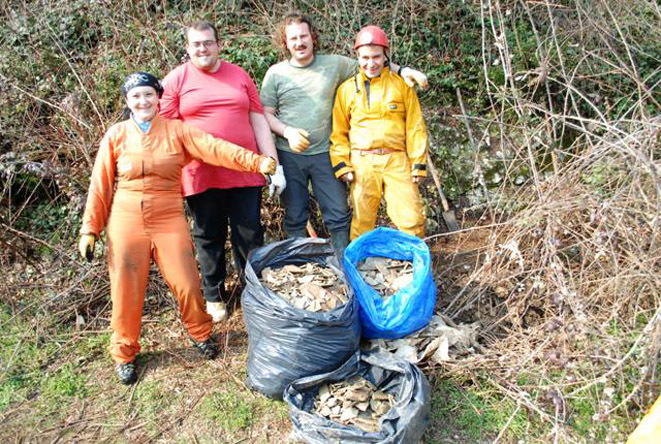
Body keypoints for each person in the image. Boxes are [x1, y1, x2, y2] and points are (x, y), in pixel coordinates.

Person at [78, 72, 276, 385]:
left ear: (159, 98)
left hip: (168, 215)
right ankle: (124, 353)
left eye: (148, 95)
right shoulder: (116, 135)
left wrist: (256, 162)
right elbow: (100, 185)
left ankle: (200, 334)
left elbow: (215, 148)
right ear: (128, 102)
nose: (143, 101)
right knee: (126, 289)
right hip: (126, 218)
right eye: (136, 97)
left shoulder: (176, 130)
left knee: (187, 282)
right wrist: (90, 228)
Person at [260, 12, 428, 258]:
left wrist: (403, 71)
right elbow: (264, 115)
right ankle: (301, 268)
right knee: (295, 215)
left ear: (313, 37)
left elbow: (372, 63)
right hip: (290, 154)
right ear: (285, 42)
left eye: (303, 36)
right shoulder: (276, 74)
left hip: (324, 155)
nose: (299, 42)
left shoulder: (336, 64)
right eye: (293, 38)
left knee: (339, 213)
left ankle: (345, 265)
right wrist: (287, 132)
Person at [160, 21, 285, 322]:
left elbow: (258, 119)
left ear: (218, 44)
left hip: (245, 171)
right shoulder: (176, 81)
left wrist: (274, 164)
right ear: (187, 49)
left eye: (208, 42)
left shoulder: (239, 75)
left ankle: (253, 292)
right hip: (200, 173)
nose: (202, 48)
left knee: (250, 234)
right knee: (208, 235)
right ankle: (214, 296)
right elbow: (163, 133)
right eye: (196, 44)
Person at [330, 26, 428, 240]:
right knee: (362, 222)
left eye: (376, 56)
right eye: (365, 57)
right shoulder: (346, 90)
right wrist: (342, 165)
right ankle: (361, 267)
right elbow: (339, 133)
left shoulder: (402, 86)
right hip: (362, 161)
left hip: (397, 159)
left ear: (385, 56)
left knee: (412, 219)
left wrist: (418, 164)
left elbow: (415, 126)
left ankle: (413, 266)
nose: (370, 63)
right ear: (357, 56)